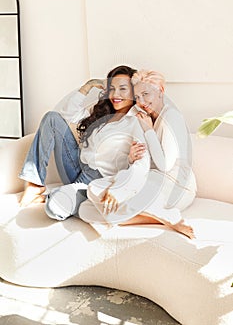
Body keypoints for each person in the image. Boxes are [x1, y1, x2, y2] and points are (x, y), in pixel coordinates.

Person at [19, 65, 151, 221]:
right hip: (77, 167)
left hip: (98, 182)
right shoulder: (104, 113)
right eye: (112, 89)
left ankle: (63, 197)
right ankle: (35, 184)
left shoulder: (137, 121)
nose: (115, 94)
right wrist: (87, 87)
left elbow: (141, 162)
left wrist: (123, 179)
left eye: (123, 89)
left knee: (54, 207)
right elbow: (66, 114)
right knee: (52, 118)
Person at [79, 69, 197, 239]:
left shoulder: (171, 116)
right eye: (138, 96)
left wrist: (148, 130)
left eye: (146, 94)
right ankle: (161, 218)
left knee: (108, 205)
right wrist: (130, 158)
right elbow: (143, 160)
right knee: (88, 202)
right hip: (152, 177)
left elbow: (165, 166)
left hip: (177, 183)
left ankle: (166, 215)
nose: (142, 101)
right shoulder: (142, 118)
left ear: (160, 91)